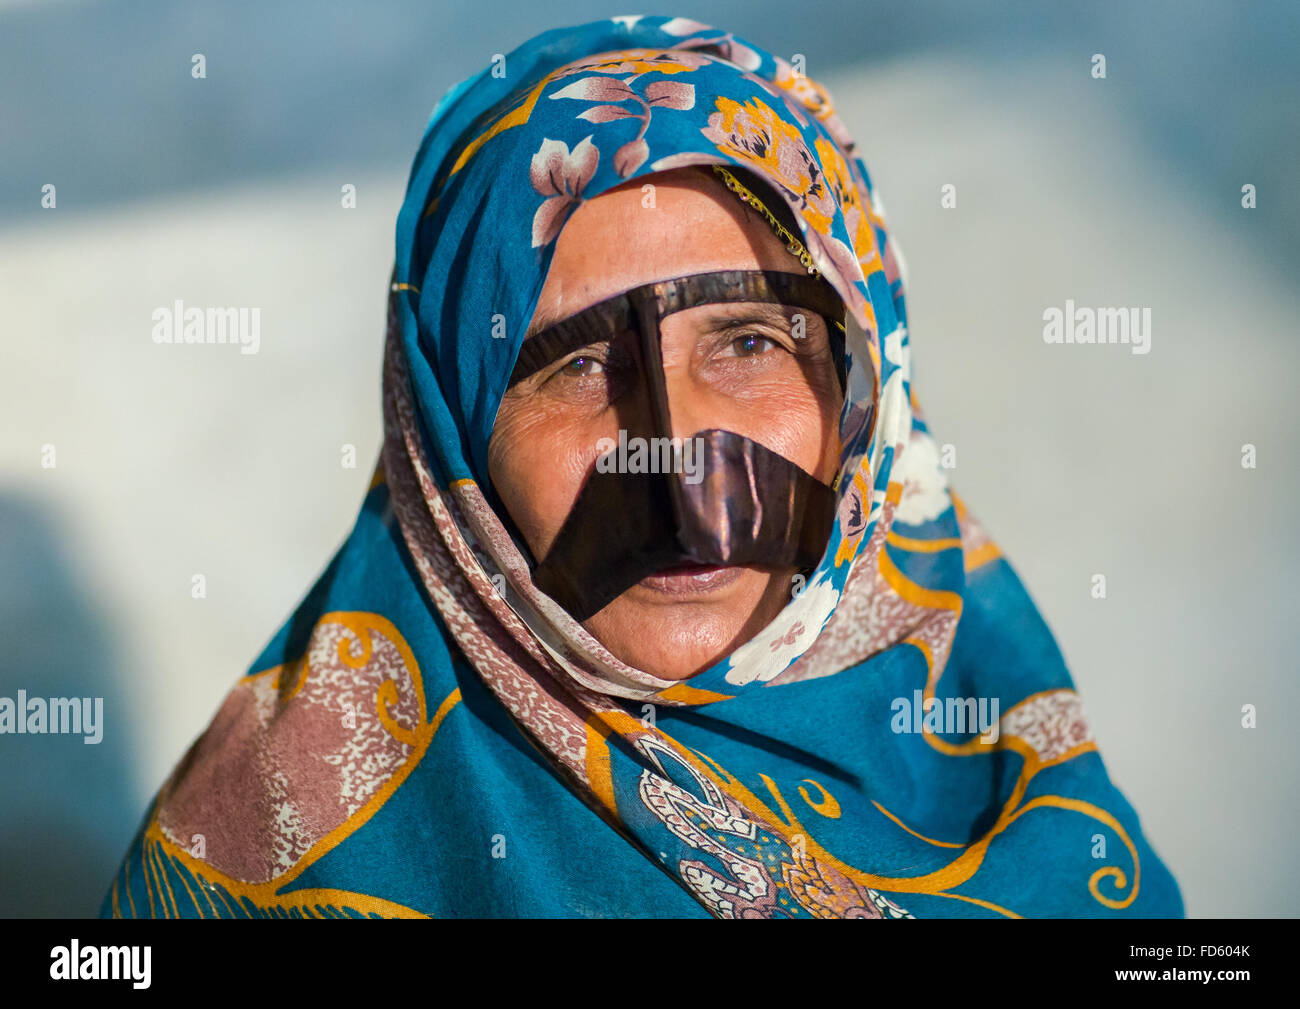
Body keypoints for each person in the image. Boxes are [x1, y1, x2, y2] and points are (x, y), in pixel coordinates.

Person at [100, 15, 1182, 919]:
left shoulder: (1004, 747)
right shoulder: (270, 851)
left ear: (863, 393)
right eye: (573, 363)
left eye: (749, 342)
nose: (676, 474)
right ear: (447, 435)